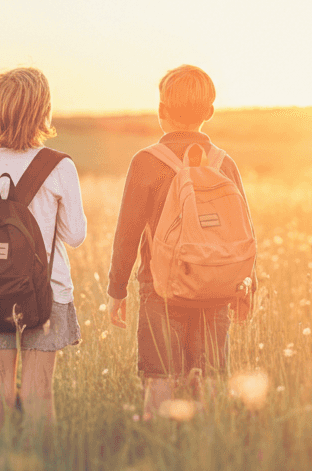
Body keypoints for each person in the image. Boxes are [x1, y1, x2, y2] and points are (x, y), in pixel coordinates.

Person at [105, 65, 253, 418]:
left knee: (160, 379)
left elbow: (127, 234)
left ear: (161, 111)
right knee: (212, 379)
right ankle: (206, 447)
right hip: (216, 287)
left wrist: (117, 290)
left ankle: (161, 446)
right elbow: (243, 231)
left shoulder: (146, 162)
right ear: (210, 113)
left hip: (161, 290)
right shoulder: (224, 163)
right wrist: (246, 288)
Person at [0, 67, 87, 432]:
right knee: (38, 393)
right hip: (46, 294)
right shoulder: (59, 166)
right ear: (43, 111)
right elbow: (75, 235)